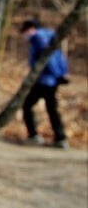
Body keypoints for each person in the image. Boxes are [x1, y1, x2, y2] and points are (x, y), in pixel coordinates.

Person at [20, 19, 70, 149]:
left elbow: (48, 58)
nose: (24, 35)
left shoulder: (39, 38)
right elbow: (58, 57)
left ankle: (34, 135)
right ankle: (60, 138)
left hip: (44, 80)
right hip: (52, 80)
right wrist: (61, 74)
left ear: (31, 29)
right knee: (52, 109)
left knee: (27, 105)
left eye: (25, 31)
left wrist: (56, 74)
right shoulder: (49, 36)